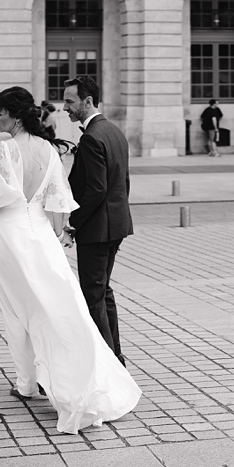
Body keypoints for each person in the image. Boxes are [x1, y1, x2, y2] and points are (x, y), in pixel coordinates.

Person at [0, 86, 139, 435]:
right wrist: (60, 237)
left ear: (15, 114)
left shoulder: (6, 149)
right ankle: (71, 371)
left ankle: (27, 382)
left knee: (17, 309)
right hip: (41, 235)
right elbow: (58, 200)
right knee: (55, 304)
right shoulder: (49, 149)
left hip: (10, 235)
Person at [63, 76, 131, 364]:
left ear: (87, 101)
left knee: (93, 294)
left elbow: (96, 189)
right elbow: (122, 182)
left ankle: (107, 366)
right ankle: (115, 356)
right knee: (103, 290)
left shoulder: (91, 137)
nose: (64, 107)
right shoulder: (114, 131)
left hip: (97, 228)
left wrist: (72, 223)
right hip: (116, 224)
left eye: (69, 101)